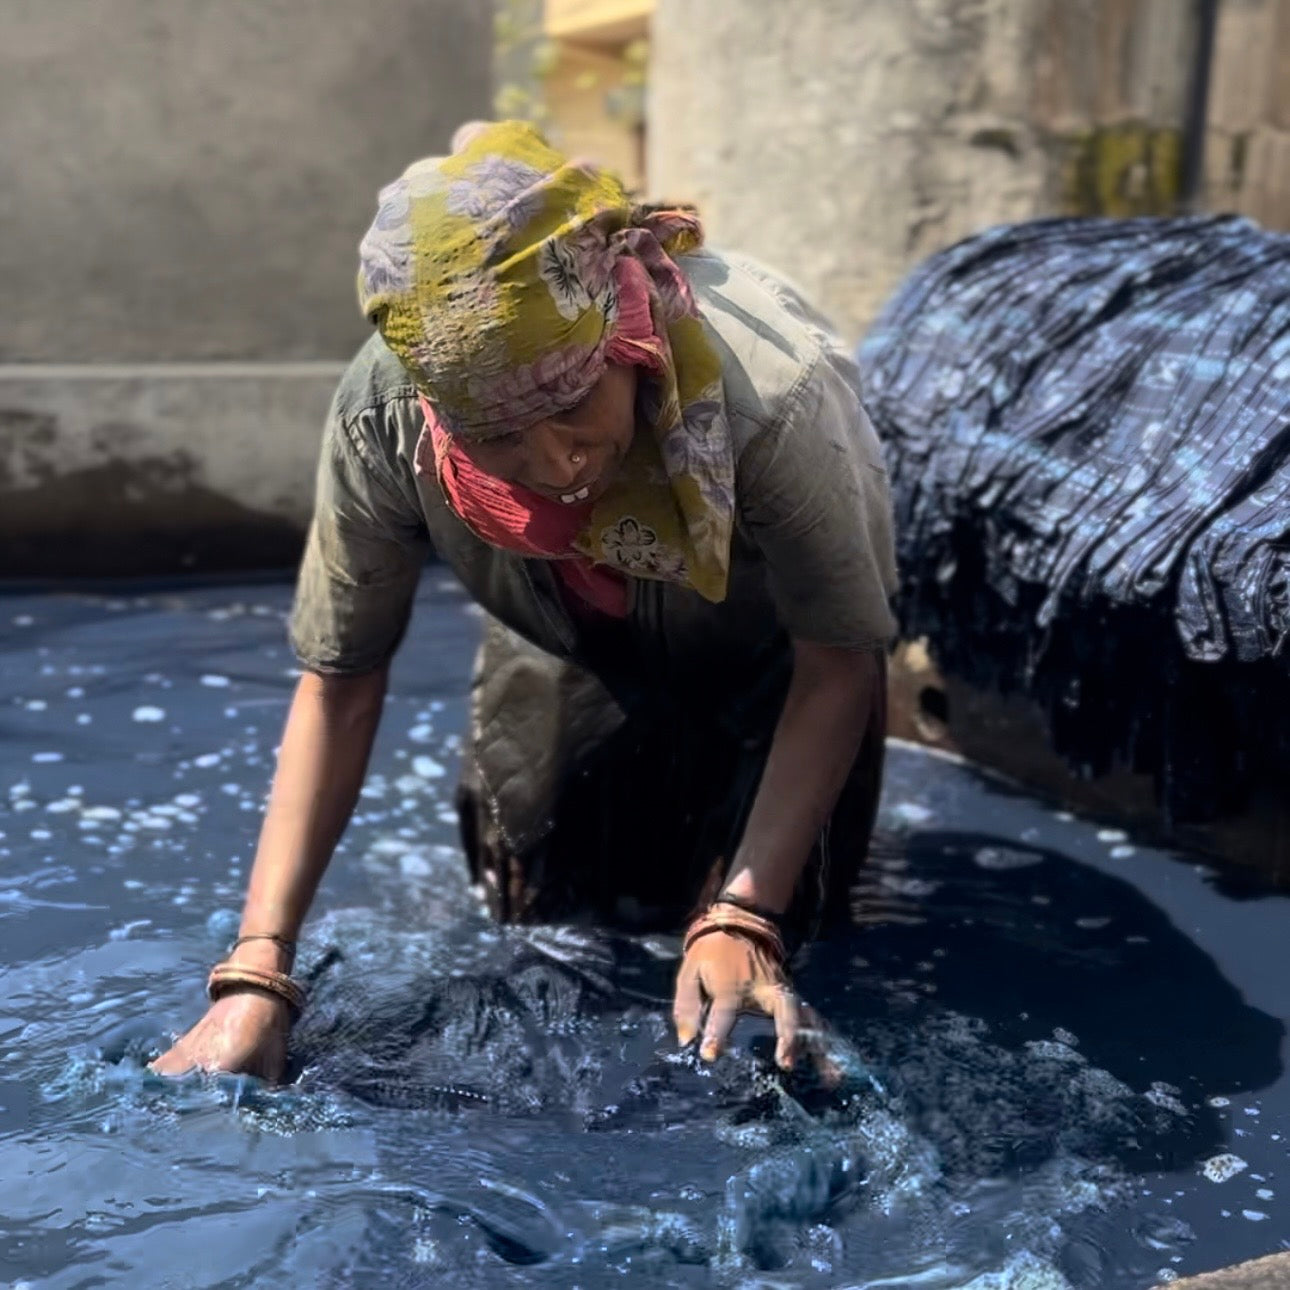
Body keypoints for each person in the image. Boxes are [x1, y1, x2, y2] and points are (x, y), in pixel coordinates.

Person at [152, 121, 897, 1084]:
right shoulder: (386, 416)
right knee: (542, 931)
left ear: (622, 340)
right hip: (560, 642)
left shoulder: (773, 402)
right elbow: (339, 681)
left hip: (782, 666)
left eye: (574, 408)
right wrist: (256, 976)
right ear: (439, 413)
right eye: (499, 439)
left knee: (770, 1014)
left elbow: (840, 660)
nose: (557, 467)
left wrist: (744, 914)